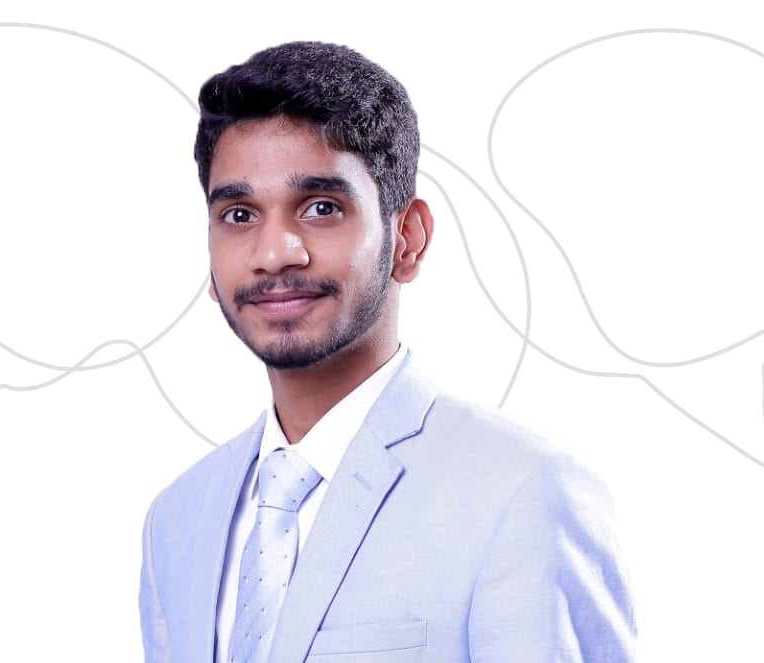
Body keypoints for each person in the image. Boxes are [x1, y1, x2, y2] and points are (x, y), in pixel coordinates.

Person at [139, 41, 636, 662]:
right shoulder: (178, 519)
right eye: (239, 215)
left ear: (408, 239)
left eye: (321, 208)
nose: (274, 253)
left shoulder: (522, 492)